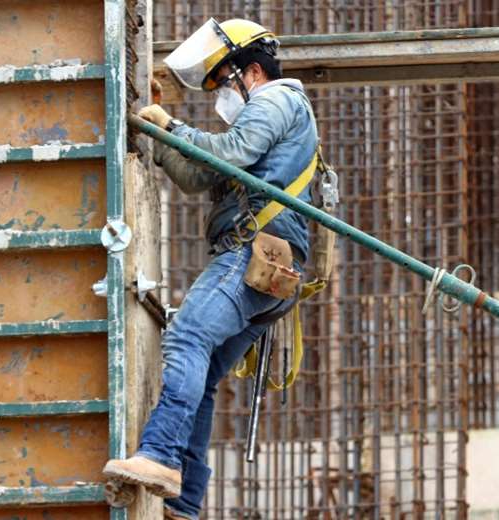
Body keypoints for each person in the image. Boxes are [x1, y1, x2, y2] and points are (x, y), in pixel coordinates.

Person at [102, 18, 319, 520]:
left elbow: (231, 153)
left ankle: (158, 456)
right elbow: (198, 176)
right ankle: (186, 498)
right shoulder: (269, 115)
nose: (222, 92)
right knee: (203, 375)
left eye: (225, 79)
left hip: (255, 253)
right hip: (271, 266)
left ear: (253, 70)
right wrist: (159, 135)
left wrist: (175, 128)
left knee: (184, 340)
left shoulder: (277, 100)